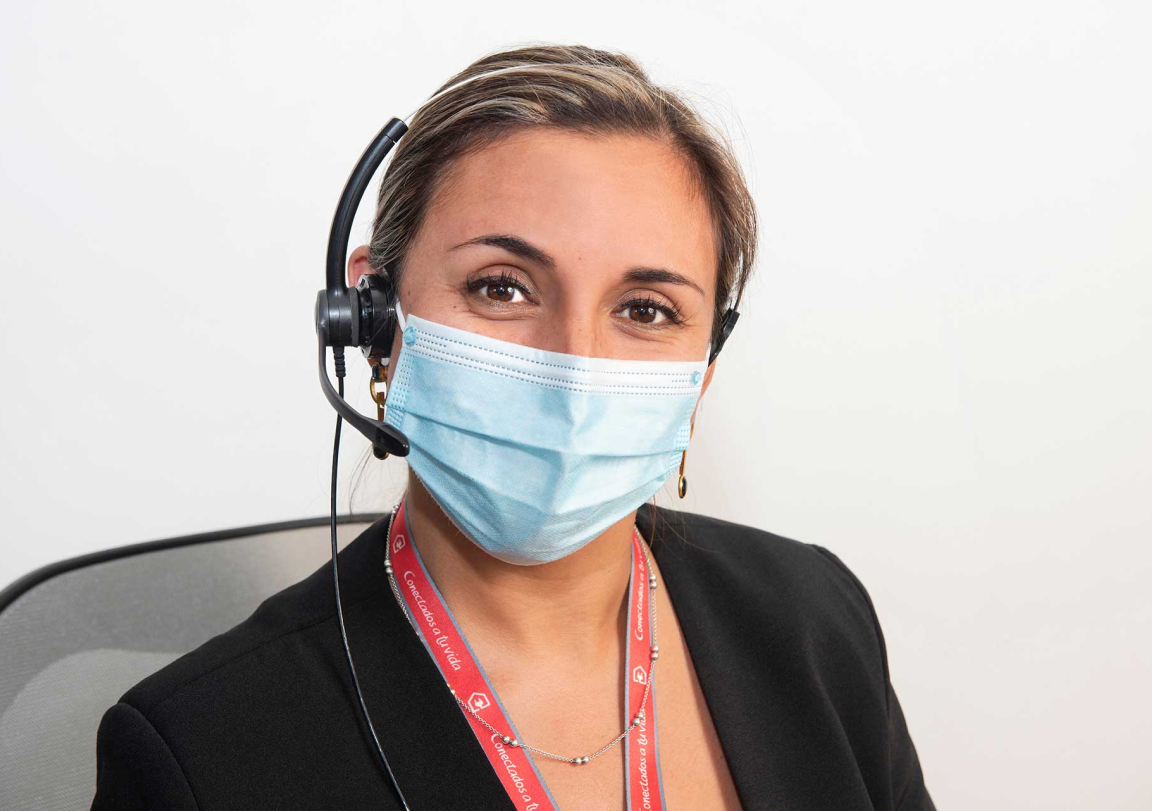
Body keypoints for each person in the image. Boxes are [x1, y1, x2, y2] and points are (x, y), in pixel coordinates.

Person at [89, 43, 936, 811]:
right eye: (502, 287)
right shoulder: (197, 752)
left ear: (703, 368)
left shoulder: (815, 614)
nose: (573, 365)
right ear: (374, 318)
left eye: (645, 309)